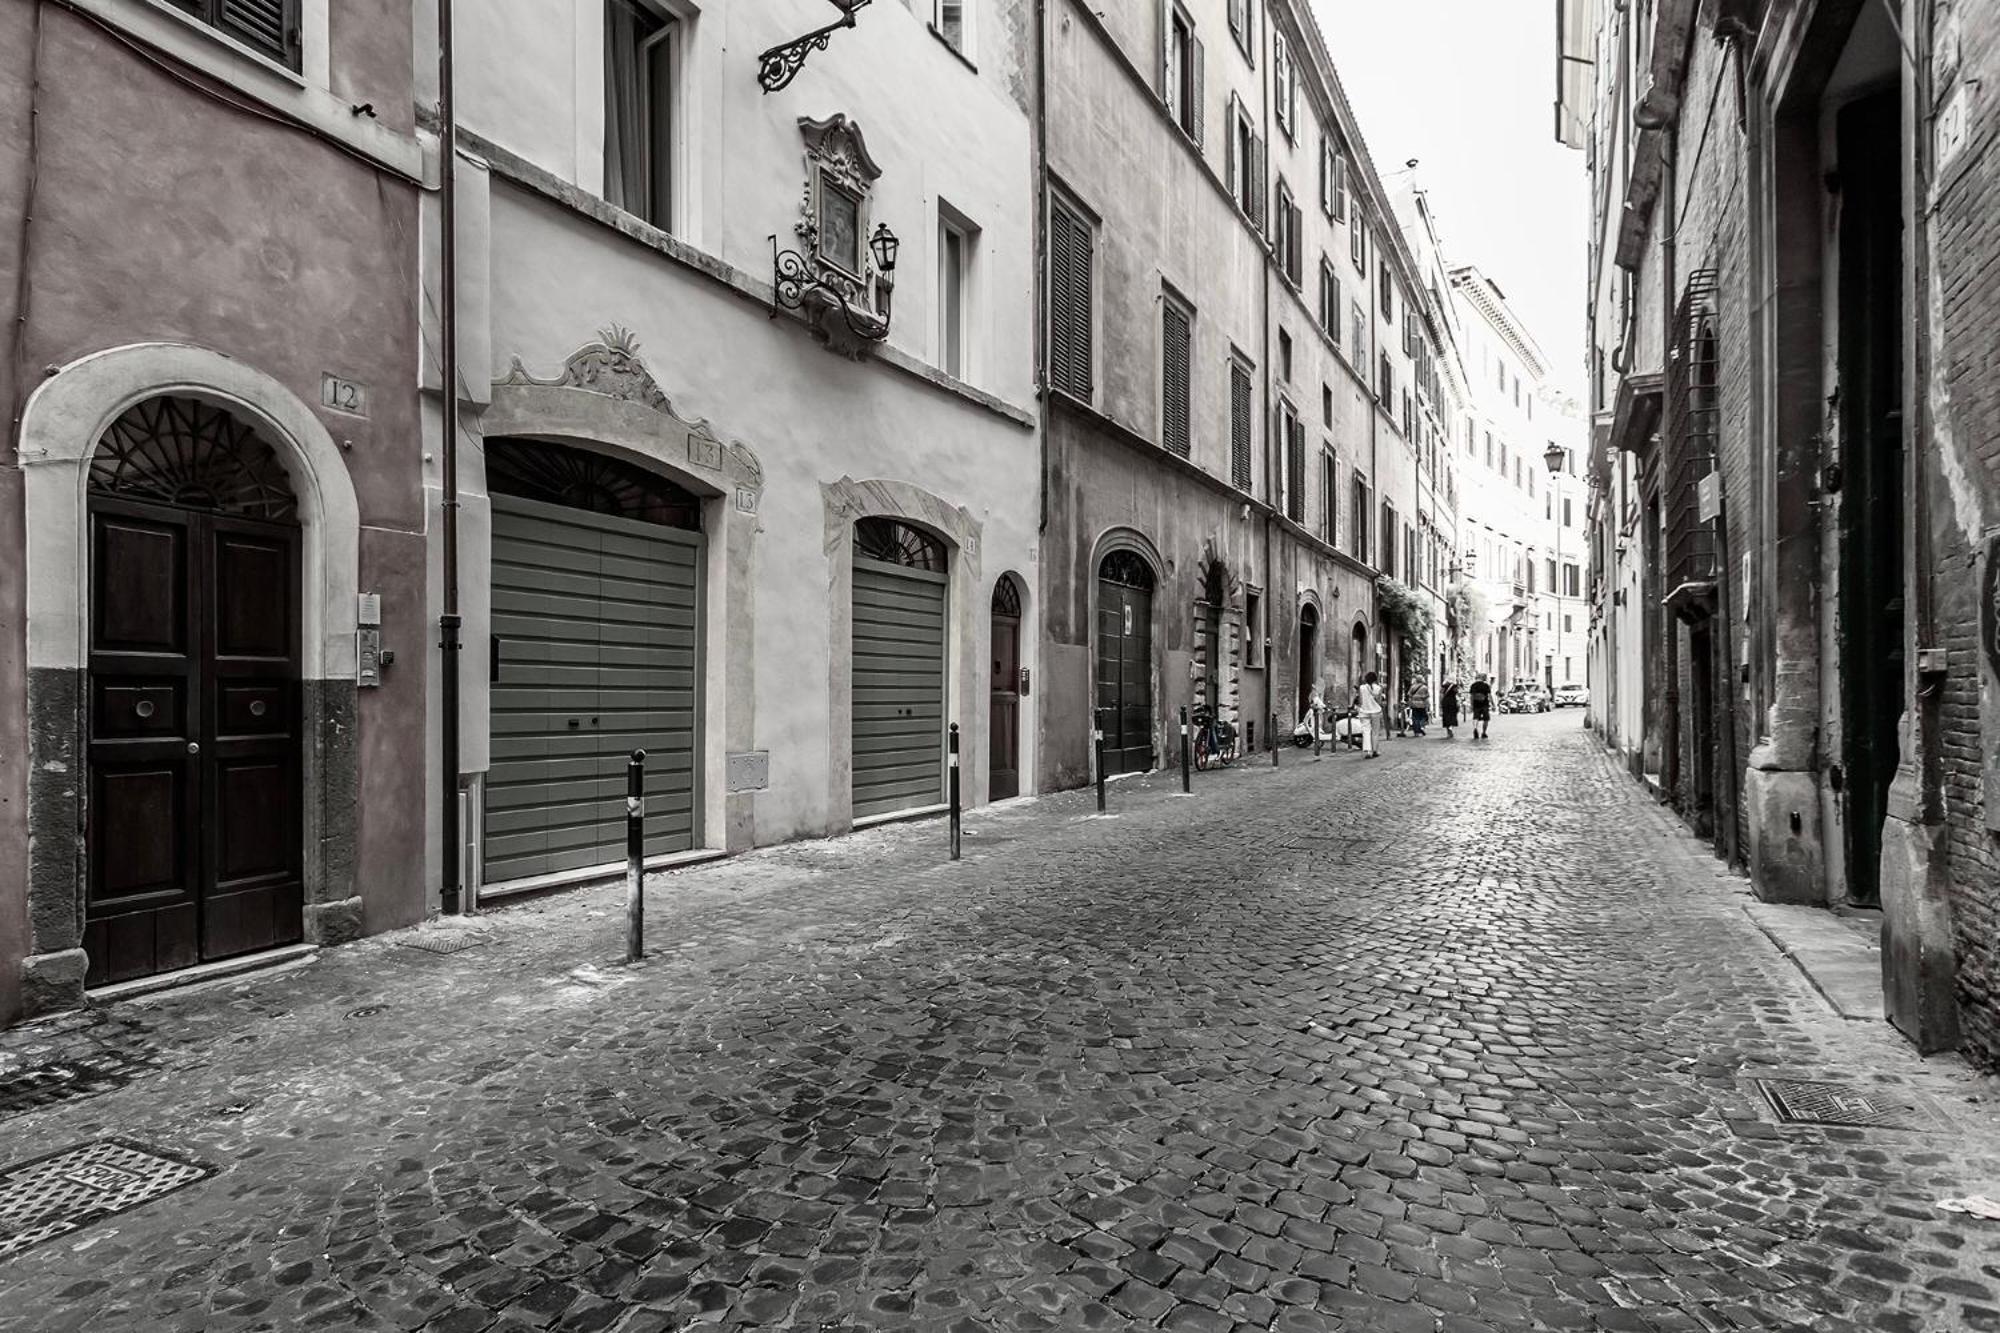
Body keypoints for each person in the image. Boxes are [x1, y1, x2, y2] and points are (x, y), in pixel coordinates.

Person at [1355, 671, 1384, 758]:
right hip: (1375, 711)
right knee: (1375, 732)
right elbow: (1379, 702)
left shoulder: (1361, 688)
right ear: (1375, 679)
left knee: (1366, 731)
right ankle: (1375, 750)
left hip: (1364, 711)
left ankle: (1368, 752)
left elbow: (1360, 701)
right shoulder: (1379, 688)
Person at [1469, 673, 1493, 740]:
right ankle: (1484, 732)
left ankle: (1475, 728)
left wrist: (1471, 704)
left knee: (1475, 717)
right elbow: (1489, 696)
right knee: (1486, 719)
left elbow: (1471, 696)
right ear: (1483, 678)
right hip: (1484, 704)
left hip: (1476, 704)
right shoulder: (1486, 685)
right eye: (1485, 677)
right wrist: (1493, 704)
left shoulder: (1473, 685)